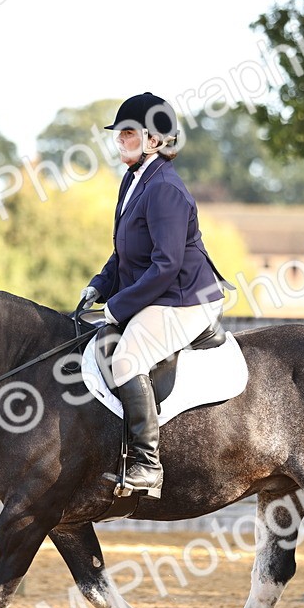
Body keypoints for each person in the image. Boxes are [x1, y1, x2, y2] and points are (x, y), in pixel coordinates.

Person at [79, 92, 227, 499]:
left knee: (127, 358)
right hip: (162, 291)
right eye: (119, 134)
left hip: (185, 296)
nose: (119, 141)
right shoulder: (133, 180)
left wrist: (117, 307)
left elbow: (164, 265)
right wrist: (100, 284)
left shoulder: (164, 188)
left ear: (155, 140)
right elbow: (125, 251)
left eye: (128, 133)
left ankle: (147, 465)